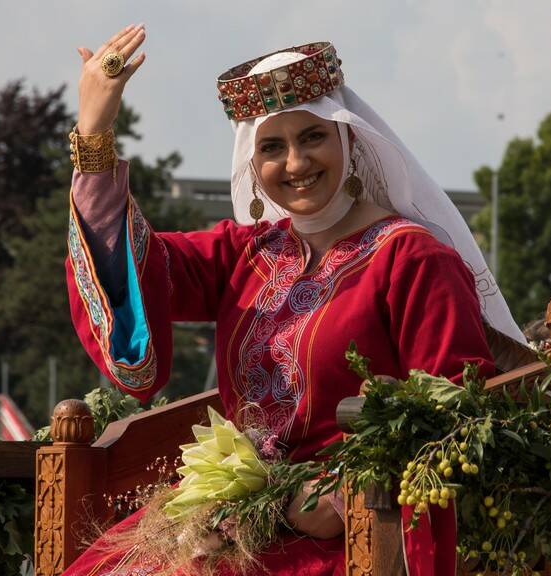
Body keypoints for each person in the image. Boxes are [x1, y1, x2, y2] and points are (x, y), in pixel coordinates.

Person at [63, 25, 523, 576]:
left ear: (350, 140)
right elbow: (133, 271)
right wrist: (95, 132)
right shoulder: (245, 254)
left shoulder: (414, 261)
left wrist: (337, 494)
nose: (297, 163)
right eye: (273, 147)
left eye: (313, 137)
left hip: (352, 526)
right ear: (253, 166)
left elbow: (452, 414)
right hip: (237, 519)